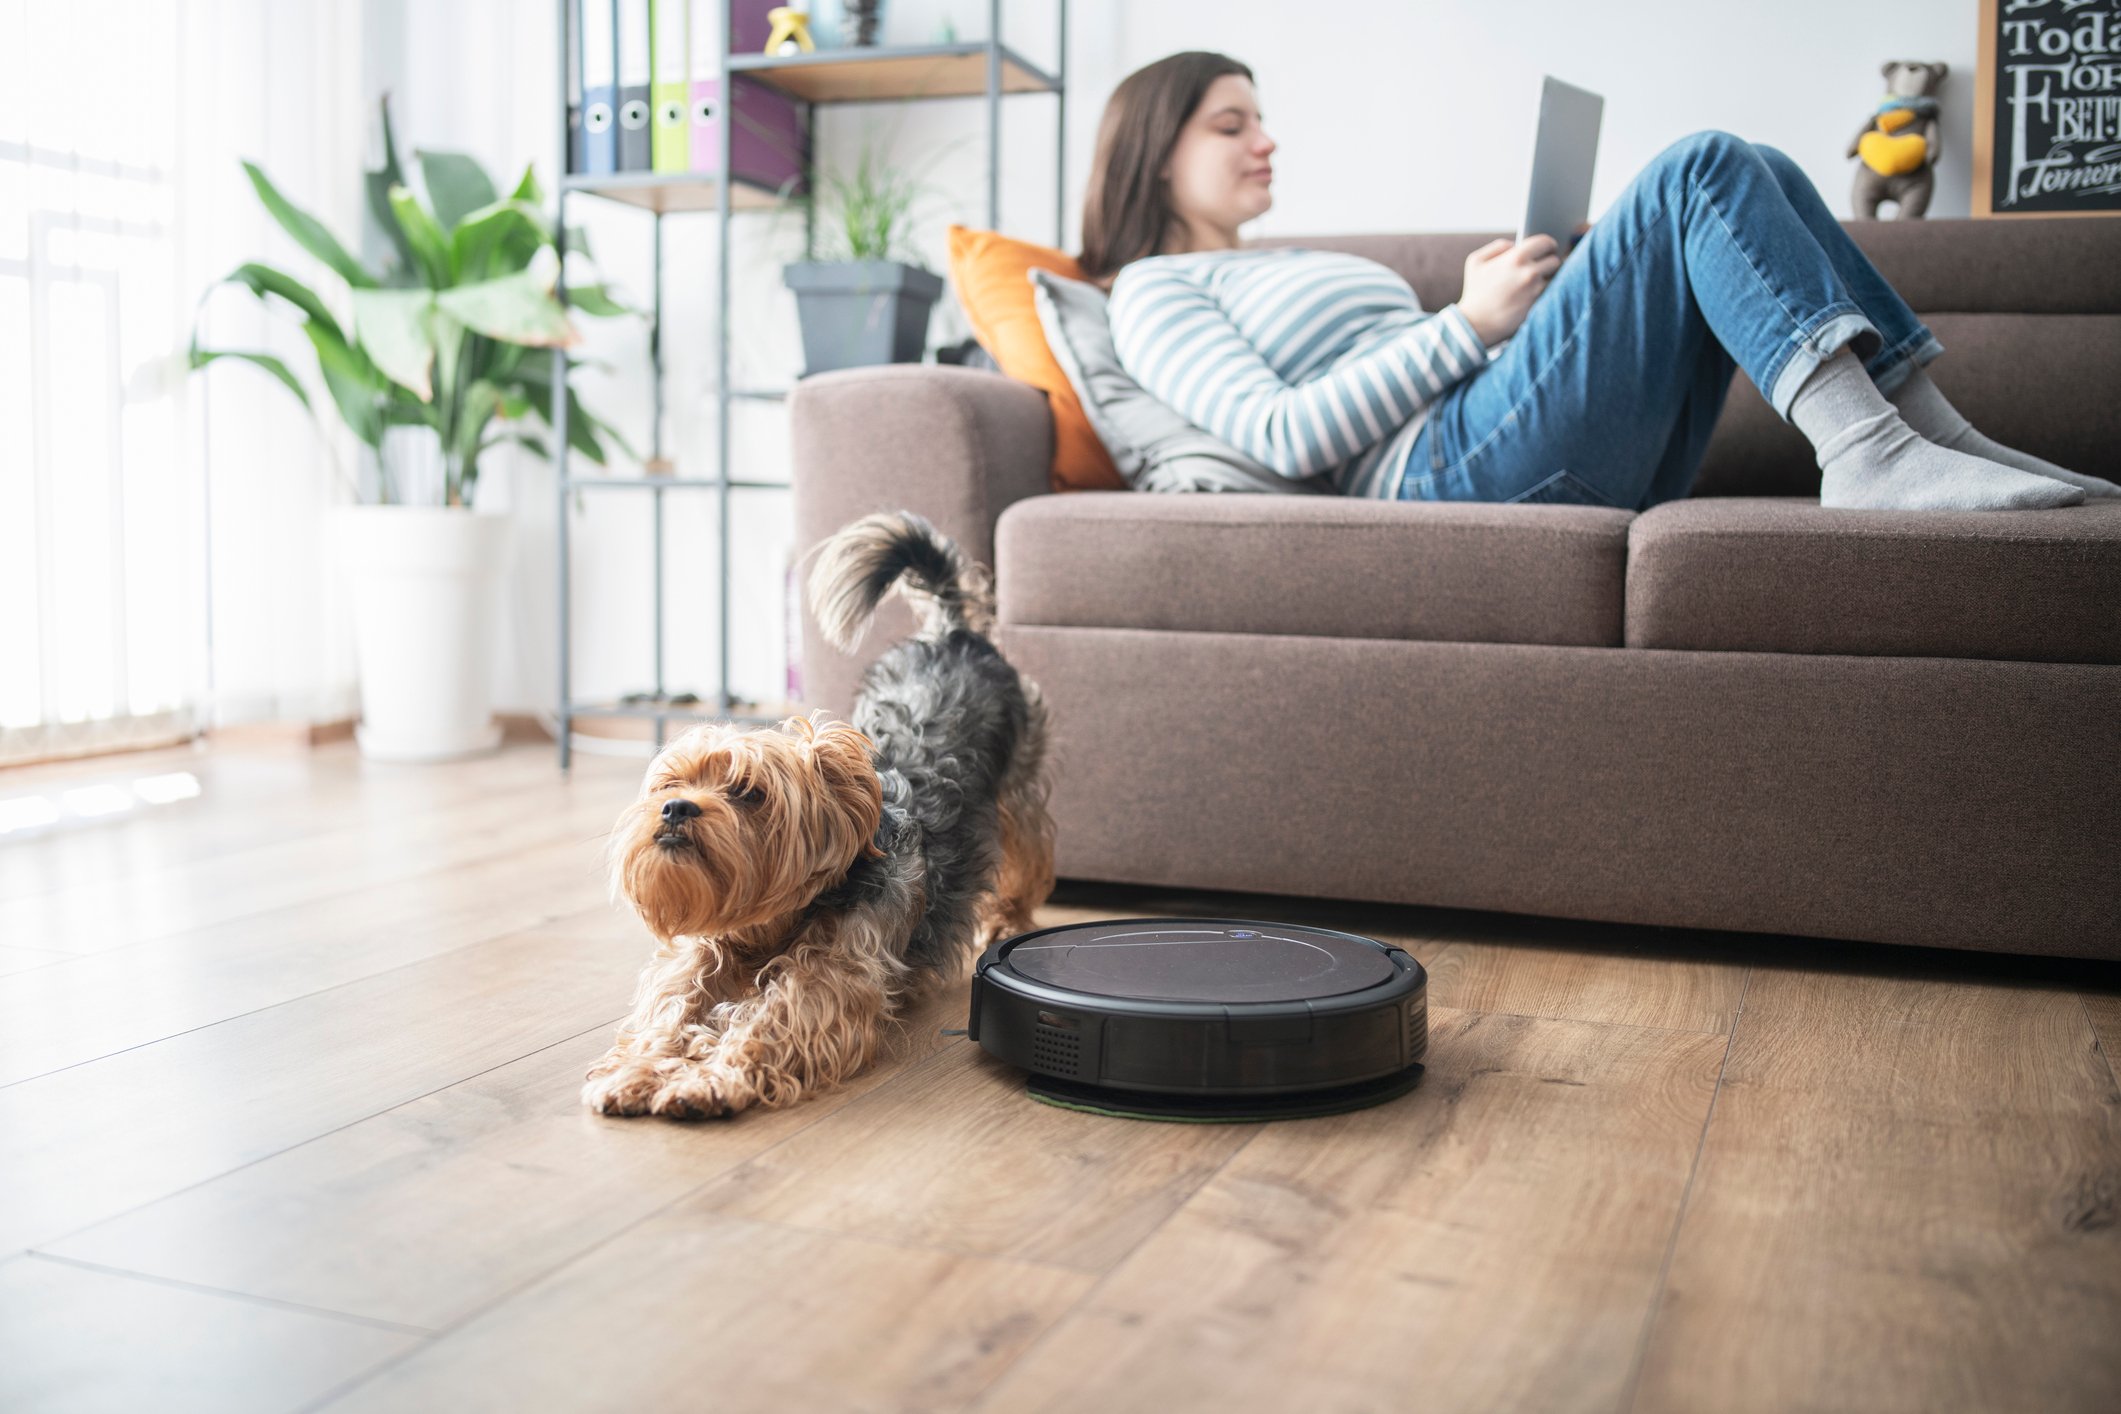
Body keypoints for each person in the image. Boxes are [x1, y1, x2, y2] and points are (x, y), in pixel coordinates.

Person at [1083, 51, 2118, 511]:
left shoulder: (1281, 262)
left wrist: (1505, 315)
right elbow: (1282, 434)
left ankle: (1932, 438)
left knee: (1763, 163)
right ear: (1153, 151)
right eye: (1232, 124)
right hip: (1441, 477)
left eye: (1261, 117)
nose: (1266, 141)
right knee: (1700, 166)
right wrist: (1465, 325)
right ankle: (1868, 453)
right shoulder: (1153, 292)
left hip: (1490, 428)